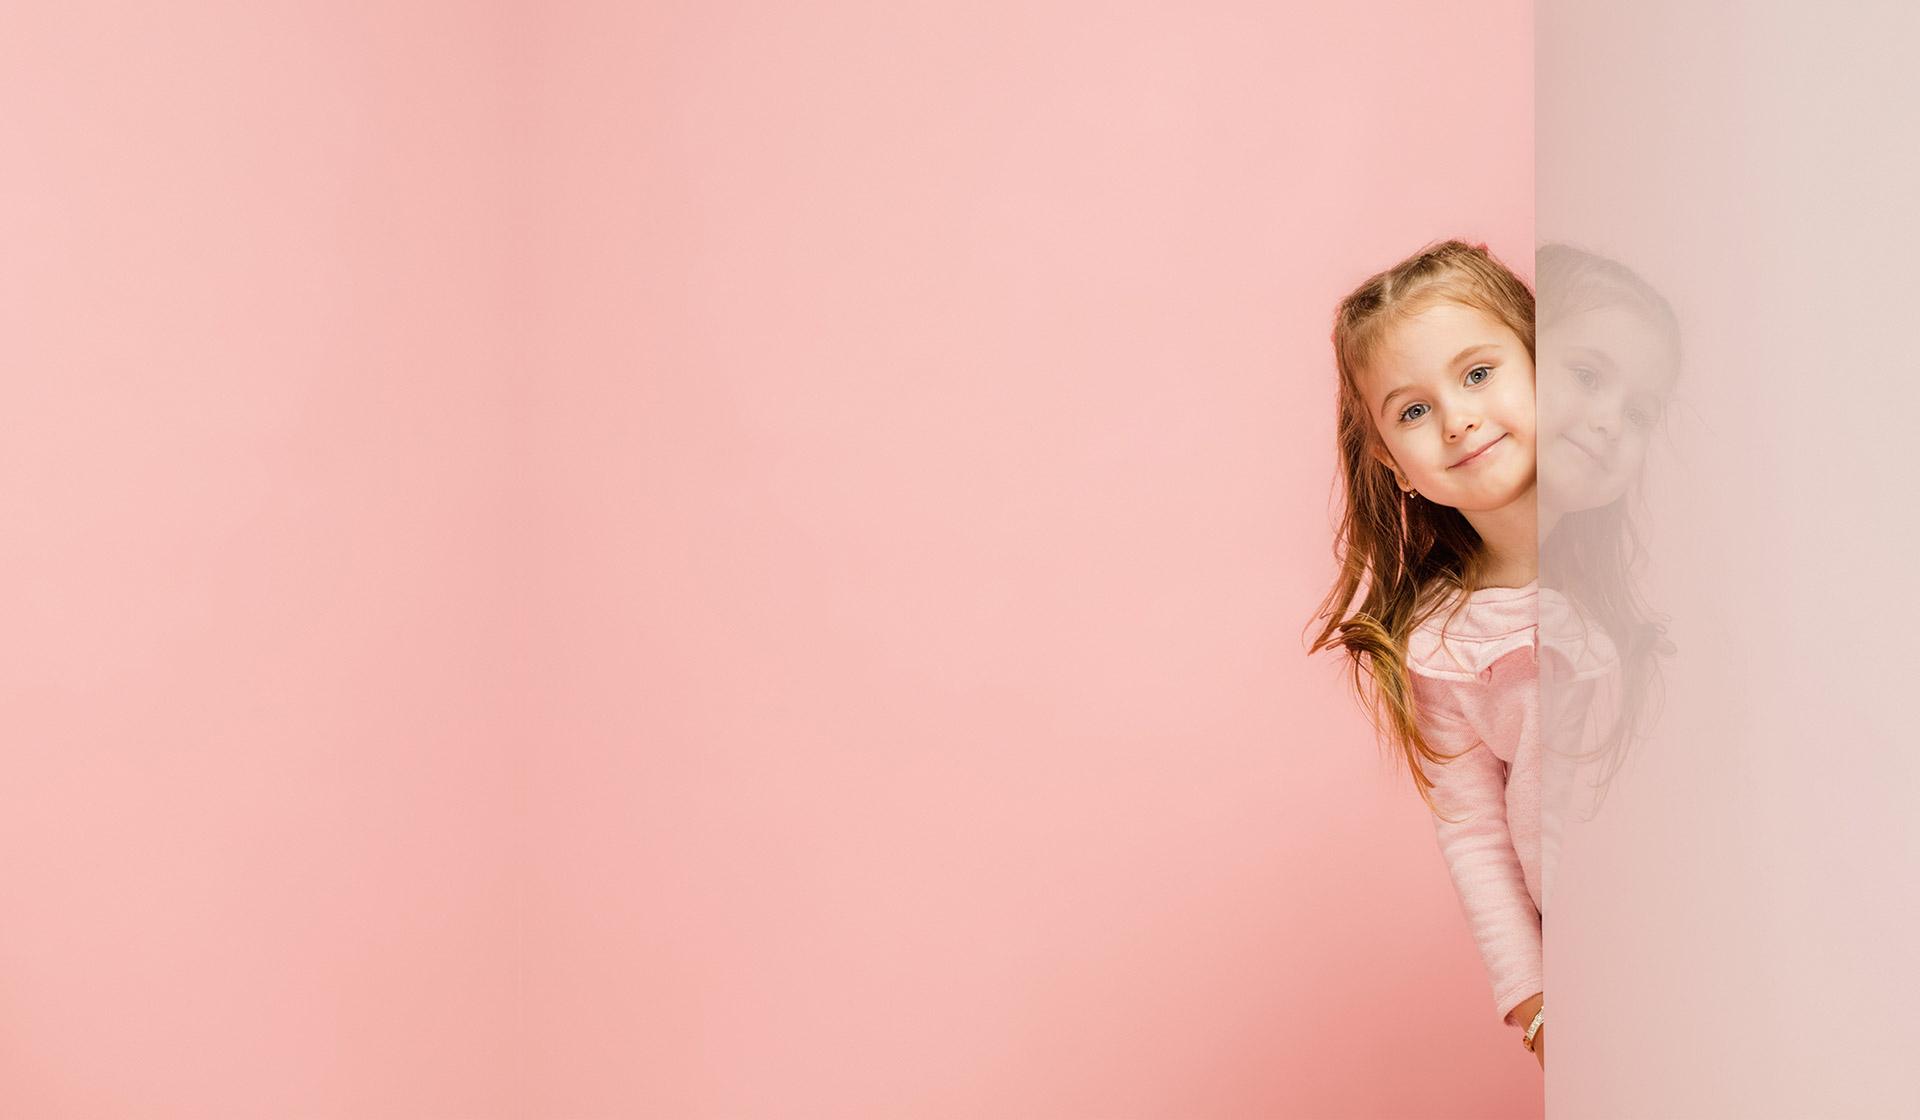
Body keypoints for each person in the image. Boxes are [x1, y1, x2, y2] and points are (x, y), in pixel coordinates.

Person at [1306, 239, 1552, 1067]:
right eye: (1413, 411)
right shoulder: (1443, 641)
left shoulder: (1643, 549)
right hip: (1592, 958)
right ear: (1391, 463)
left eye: (1479, 373)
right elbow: (1474, 829)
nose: (1458, 418)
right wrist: (1533, 1000)